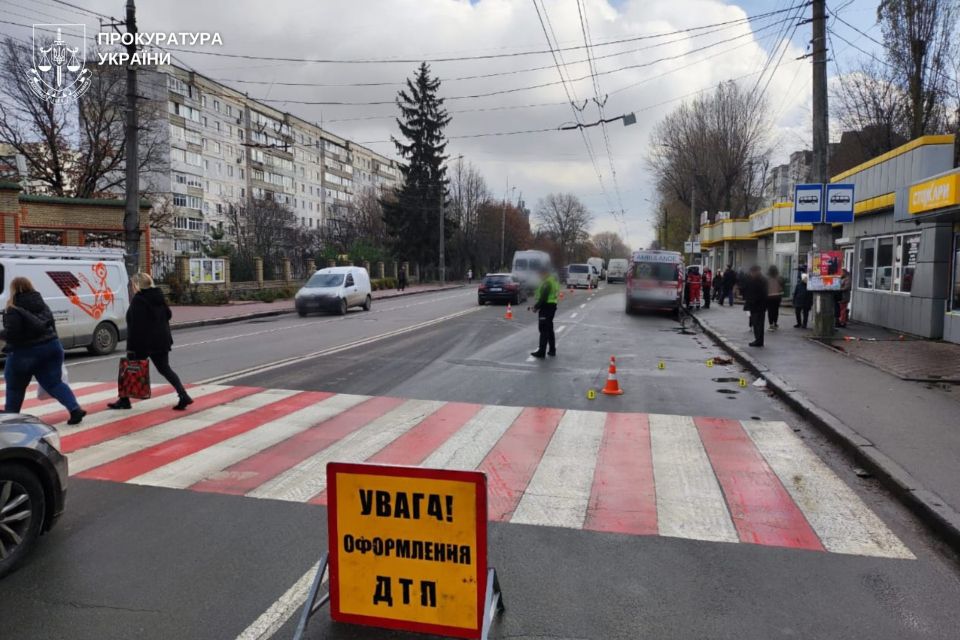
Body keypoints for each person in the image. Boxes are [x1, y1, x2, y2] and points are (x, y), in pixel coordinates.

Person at [1, 277, 85, 424]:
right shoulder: (42, 304)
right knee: (54, 383)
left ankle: (11, 418)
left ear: (13, 289)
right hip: (51, 347)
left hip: (24, 353)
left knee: (15, 387)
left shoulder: (13, 308)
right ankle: (75, 409)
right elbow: (52, 326)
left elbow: (12, 334)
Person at [108, 273, 192, 411]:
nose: (131, 288)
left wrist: (131, 348)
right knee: (165, 369)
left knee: (127, 370)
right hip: (161, 341)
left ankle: (124, 400)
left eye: (132, 285)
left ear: (136, 285)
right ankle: (183, 395)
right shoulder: (158, 297)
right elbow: (168, 314)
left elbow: (135, 326)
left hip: (143, 343)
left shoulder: (139, 300)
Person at [530, 266, 559, 358]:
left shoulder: (547, 283)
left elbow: (543, 298)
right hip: (551, 306)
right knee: (549, 329)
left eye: (540, 274)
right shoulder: (552, 280)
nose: (539, 276)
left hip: (546, 307)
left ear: (545, 273)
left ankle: (541, 352)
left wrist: (536, 307)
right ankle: (552, 350)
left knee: (543, 329)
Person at [742, 265, 768, 347]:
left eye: (753, 272)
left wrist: (752, 300)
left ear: (757, 272)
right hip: (754, 306)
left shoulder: (761, 280)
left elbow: (761, 294)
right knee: (756, 324)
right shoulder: (754, 279)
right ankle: (758, 340)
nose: (751, 274)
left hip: (758, 306)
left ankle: (759, 341)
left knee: (758, 324)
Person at [766, 265, 784, 330]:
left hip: (769, 297)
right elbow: (782, 287)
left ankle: (771, 324)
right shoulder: (779, 278)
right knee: (776, 310)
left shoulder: (767, 278)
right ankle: (775, 322)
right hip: (777, 296)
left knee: (770, 311)